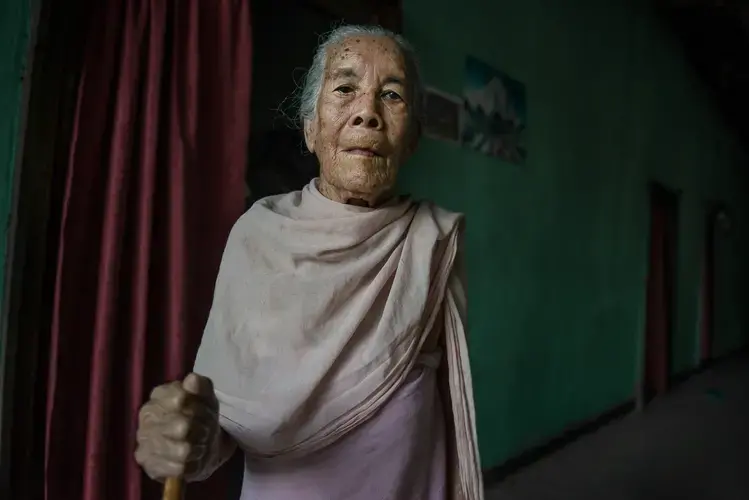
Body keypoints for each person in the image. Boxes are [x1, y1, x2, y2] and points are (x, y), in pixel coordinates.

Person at [134, 24, 483, 500]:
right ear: (311, 127)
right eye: (344, 89)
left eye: (392, 96)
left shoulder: (431, 241)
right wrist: (181, 440)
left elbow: (449, 410)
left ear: (413, 138)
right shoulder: (257, 237)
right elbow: (224, 424)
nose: (368, 113)